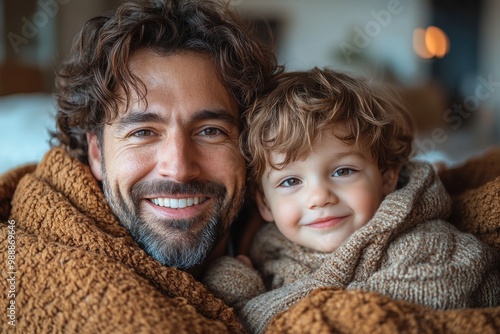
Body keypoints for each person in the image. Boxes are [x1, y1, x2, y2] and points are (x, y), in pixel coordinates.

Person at [0, 0, 279, 332]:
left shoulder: (310, 225)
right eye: (143, 132)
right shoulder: (19, 258)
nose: (178, 168)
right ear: (97, 154)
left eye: (210, 131)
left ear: (250, 146)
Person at [202, 68, 500, 334]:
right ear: (266, 204)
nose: (319, 197)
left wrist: (250, 308)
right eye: (291, 181)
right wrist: (238, 287)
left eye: (343, 171)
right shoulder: (269, 248)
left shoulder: (423, 242)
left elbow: (369, 316)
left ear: (386, 176)